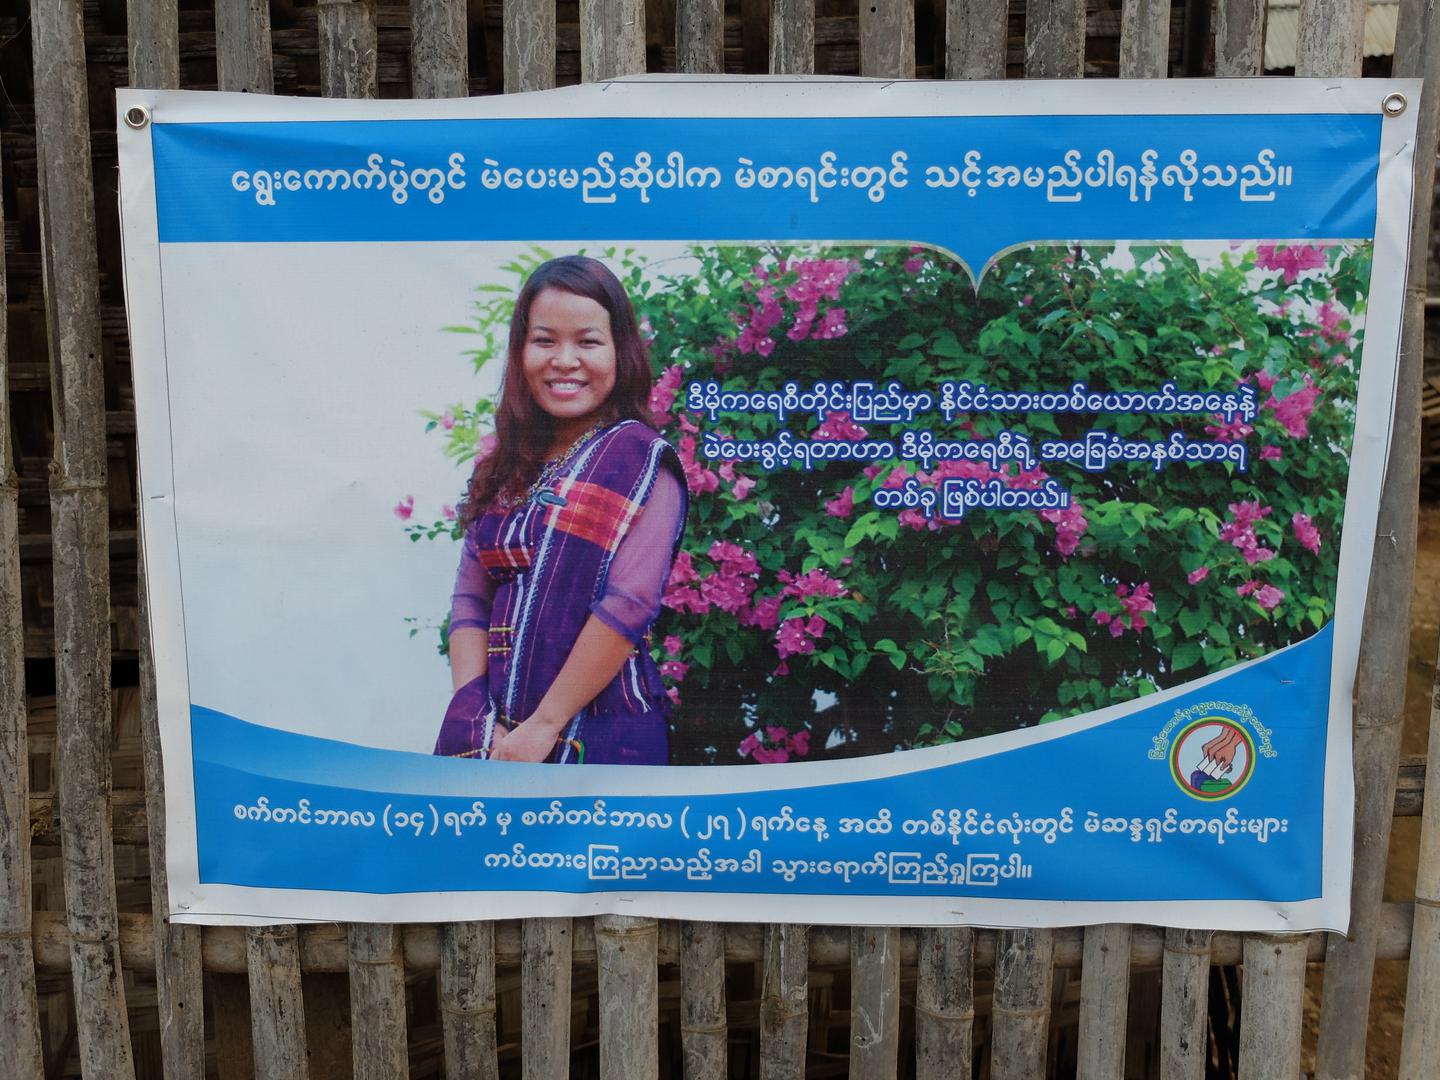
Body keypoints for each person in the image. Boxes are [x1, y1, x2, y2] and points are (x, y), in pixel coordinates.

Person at [433, 255, 687, 764]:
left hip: (605, 735)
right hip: (497, 737)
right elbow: (470, 599)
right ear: (521, 350)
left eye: (588, 342)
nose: (564, 360)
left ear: (620, 352)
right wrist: (476, 719)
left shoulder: (641, 462)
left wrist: (543, 727)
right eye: (544, 340)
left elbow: (627, 605)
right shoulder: (505, 464)